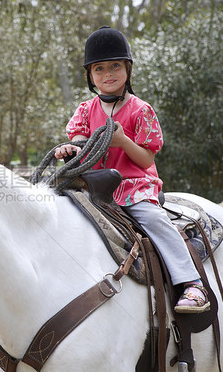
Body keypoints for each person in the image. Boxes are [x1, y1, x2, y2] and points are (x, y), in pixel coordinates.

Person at [55, 25, 209, 314]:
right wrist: (70, 150)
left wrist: (123, 141)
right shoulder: (85, 111)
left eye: (115, 66)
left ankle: (192, 283)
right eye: (99, 69)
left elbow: (146, 159)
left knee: (153, 219)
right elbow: (80, 145)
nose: (108, 74)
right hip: (94, 186)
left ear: (127, 69)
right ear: (90, 76)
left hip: (132, 184)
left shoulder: (141, 110)